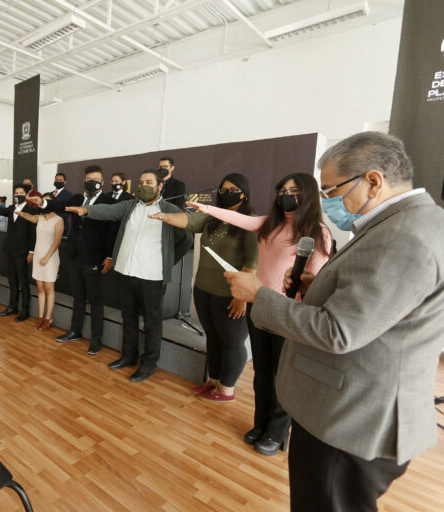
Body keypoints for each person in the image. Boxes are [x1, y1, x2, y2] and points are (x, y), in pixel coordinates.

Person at [224, 132, 444, 512]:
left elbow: (339, 331)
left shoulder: (404, 236)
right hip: (346, 408)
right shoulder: (403, 224)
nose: (326, 202)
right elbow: (376, 307)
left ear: (373, 180)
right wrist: (316, 287)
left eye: (331, 191)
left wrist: (257, 294)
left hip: (351, 421)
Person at [186, 173, 332, 454]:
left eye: (294, 191)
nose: (285, 196)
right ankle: (260, 424)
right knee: (262, 372)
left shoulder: (317, 231)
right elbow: (240, 219)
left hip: (288, 312)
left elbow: (318, 280)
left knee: (281, 375)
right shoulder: (270, 224)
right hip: (259, 305)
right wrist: (206, 208)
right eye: (282, 190)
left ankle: (277, 432)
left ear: (308, 195)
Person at [66, 169, 192, 382]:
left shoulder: (170, 210)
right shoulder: (130, 206)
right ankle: (128, 356)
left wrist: (166, 264)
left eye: (149, 182)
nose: (144, 185)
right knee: (129, 317)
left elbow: (186, 240)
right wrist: (86, 211)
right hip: (126, 272)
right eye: (141, 181)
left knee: (152, 322)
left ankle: (148, 364)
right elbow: (108, 210)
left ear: (160, 186)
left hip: (152, 276)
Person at [150, 173, 259, 404]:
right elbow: (189, 222)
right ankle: (214, 381)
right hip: (204, 289)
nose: (226, 193)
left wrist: (241, 298)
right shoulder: (214, 217)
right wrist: (164, 216)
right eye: (223, 189)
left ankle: (227, 389)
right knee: (213, 337)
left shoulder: (250, 222)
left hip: (230, 294)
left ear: (244, 194)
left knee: (231, 341)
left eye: (232, 189)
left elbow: (252, 264)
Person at [28, 165, 117, 354]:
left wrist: (109, 256)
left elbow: (113, 231)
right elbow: (59, 206)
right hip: (75, 255)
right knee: (78, 296)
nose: (91, 181)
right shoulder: (77, 198)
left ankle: (96, 339)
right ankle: (75, 331)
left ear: (102, 182)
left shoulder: (108, 201)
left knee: (95, 300)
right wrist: (43, 202)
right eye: (88, 178)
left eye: (95, 179)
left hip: (95, 257)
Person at [0, 185, 39, 322]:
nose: (18, 194)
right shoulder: (11, 208)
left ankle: (25, 311)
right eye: (16, 193)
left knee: (23, 282)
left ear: (26, 195)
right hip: (10, 249)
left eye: (21, 193)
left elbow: (33, 233)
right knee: (12, 280)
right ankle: (12, 307)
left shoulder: (31, 210)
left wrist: (31, 251)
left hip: (23, 251)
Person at [16, 193, 64, 331]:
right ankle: (40, 316)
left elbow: (57, 242)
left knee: (49, 288)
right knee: (40, 288)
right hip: (38, 257)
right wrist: (21, 213)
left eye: (48, 201)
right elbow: (31, 217)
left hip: (50, 258)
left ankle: (49, 318)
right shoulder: (41, 218)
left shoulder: (59, 220)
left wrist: (47, 257)